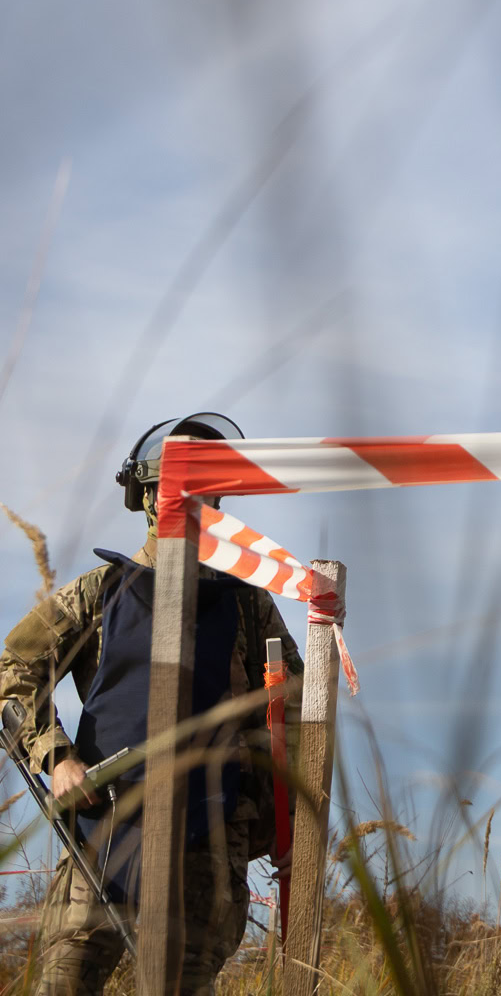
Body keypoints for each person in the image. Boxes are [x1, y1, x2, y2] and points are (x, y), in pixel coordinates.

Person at [0, 413, 303, 995]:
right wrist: (57, 756)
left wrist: (277, 822)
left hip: (208, 842)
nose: (190, 500)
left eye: (204, 486)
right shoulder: (99, 594)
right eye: (176, 485)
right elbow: (15, 669)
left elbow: (294, 711)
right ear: (146, 493)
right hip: (105, 827)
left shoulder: (247, 604)